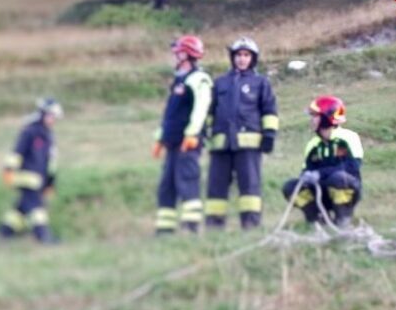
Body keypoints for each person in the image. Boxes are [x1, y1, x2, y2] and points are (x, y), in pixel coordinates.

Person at [205, 37, 279, 230]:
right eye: (238, 55)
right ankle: (214, 227)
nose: (242, 59)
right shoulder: (220, 83)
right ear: (233, 57)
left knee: (250, 187)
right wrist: (204, 131)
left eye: (246, 55)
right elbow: (210, 111)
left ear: (253, 58)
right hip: (221, 145)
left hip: (249, 145)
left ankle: (250, 225)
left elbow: (269, 110)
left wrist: (269, 134)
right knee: (216, 186)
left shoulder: (261, 83)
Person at [152, 35, 213, 235]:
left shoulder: (199, 79)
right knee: (167, 186)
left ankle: (191, 227)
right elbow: (170, 114)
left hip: (188, 142)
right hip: (172, 142)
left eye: (178, 52)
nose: (175, 56)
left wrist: (192, 134)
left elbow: (201, 109)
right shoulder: (179, 80)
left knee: (187, 181)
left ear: (187, 54)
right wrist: (160, 138)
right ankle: (165, 229)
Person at [281, 95, 363, 228]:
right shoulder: (313, 144)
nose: (311, 120)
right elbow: (306, 170)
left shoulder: (349, 138)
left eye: (314, 116)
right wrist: (306, 176)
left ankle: (343, 218)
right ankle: (316, 219)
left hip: (346, 189)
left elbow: (352, 167)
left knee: (338, 178)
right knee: (290, 187)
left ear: (326, 118)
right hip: (320, 192)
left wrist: (319, 174)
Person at [0, 98, 63, 244]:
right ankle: (43, 237)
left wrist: (50, 183)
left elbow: (50, 163)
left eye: (55, 117)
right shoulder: (30, 131)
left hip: (39, 180)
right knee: (37, 207)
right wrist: (8, 171)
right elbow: (16, 153)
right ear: (43, 114)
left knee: (20, 210)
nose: (53, 120)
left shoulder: (48, 135)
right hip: (26, 178)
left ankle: (4, 233)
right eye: (51, 116)